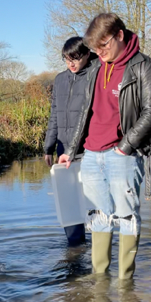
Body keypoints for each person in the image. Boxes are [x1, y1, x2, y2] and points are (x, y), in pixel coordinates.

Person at [59, 13, 151, 279]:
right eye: (95, 48)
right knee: (98, 216)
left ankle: (125, 284)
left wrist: (125, 147)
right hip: (91, 154)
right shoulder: (97, 68)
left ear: (120, 35)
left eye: (104, 45)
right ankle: (100, 279)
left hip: (123, 154)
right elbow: (86, 113)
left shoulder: (143, 66)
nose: (99, 52)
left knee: (126, 217)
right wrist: (71, 150)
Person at [43, 37, 98, 245]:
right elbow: (54, 114)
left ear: (86, 55)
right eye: (67, 59)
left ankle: (98, 254)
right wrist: (48, 147)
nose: (71, 64)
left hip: (90, 151)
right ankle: (75, 251)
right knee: (68, 206)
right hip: (63, 151)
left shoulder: (95, 74)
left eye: (75, 58)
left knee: (92, 207)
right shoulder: (59, 80)